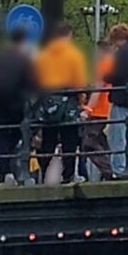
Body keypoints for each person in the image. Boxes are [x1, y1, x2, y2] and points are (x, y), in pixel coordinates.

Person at [34, 20, 89, 184]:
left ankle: (43, 172)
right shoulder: (73, 55)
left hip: (49, 101)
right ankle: (68, 175)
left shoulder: (44, 54)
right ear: (69, 35)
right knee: (70, 140)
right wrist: (81, 100)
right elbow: (79, 80)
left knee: (48, 140)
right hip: (68, 101)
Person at [0, 27, 36, 183]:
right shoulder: (24, 59)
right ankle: (16, 171)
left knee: (2, 137)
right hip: (17, 106)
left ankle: (3, 172)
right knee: (19, 135)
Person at [105, 22, 128, 177]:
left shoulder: (122, 53)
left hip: (122, 99)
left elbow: (119, 74)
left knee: (118, 136)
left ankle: (119, 169)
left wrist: (107, 76)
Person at [79, 41, 116, 181]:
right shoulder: (114, 63)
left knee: (89, 143)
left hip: (99, 111)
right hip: (108, 109)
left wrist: (88, 109)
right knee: (101, 141)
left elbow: (97, 89)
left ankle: (108, 171)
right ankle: (110, 170)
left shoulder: (103, 65)